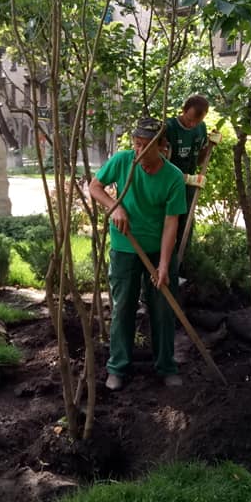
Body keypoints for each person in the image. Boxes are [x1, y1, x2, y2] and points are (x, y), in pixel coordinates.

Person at [89, 117, 187, 391]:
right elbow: (95, 187)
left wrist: (165, 265)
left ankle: (166, 366)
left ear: (162, 147)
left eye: (145, 146)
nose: (138, 151)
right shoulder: (123, 161)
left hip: (157, 251)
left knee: (163, 309)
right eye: (136, 143)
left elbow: (171, 224)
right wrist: (114, 206)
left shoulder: (173, 178)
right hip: (124, 250)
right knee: (123, 309)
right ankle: (118, 367)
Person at [164, 95, 210, 257]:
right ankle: (165, 264)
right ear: (183, 110)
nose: (192, 124)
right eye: (189, 119)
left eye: (196, 122)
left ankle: (182, 265)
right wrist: (182, 178)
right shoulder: (169, 128)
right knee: (168, 224)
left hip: (189, 189)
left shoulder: (200, 128)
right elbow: (161, 164)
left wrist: (209, 146)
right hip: (168, 188)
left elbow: (199, 161)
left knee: (186, 226)